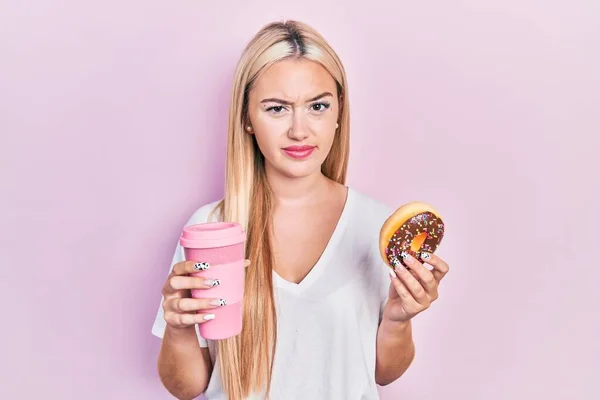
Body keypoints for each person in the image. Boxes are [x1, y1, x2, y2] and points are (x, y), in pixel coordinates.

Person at [151, 20, 450, 400]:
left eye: (318, 106)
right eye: (277, 109)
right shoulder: (212, 229)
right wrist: (178, 328)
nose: (299, 130)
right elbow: (186, 387)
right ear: (247, 118)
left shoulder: (375, 226)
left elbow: (382, 373)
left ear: (339, 111)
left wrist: (398, 318)